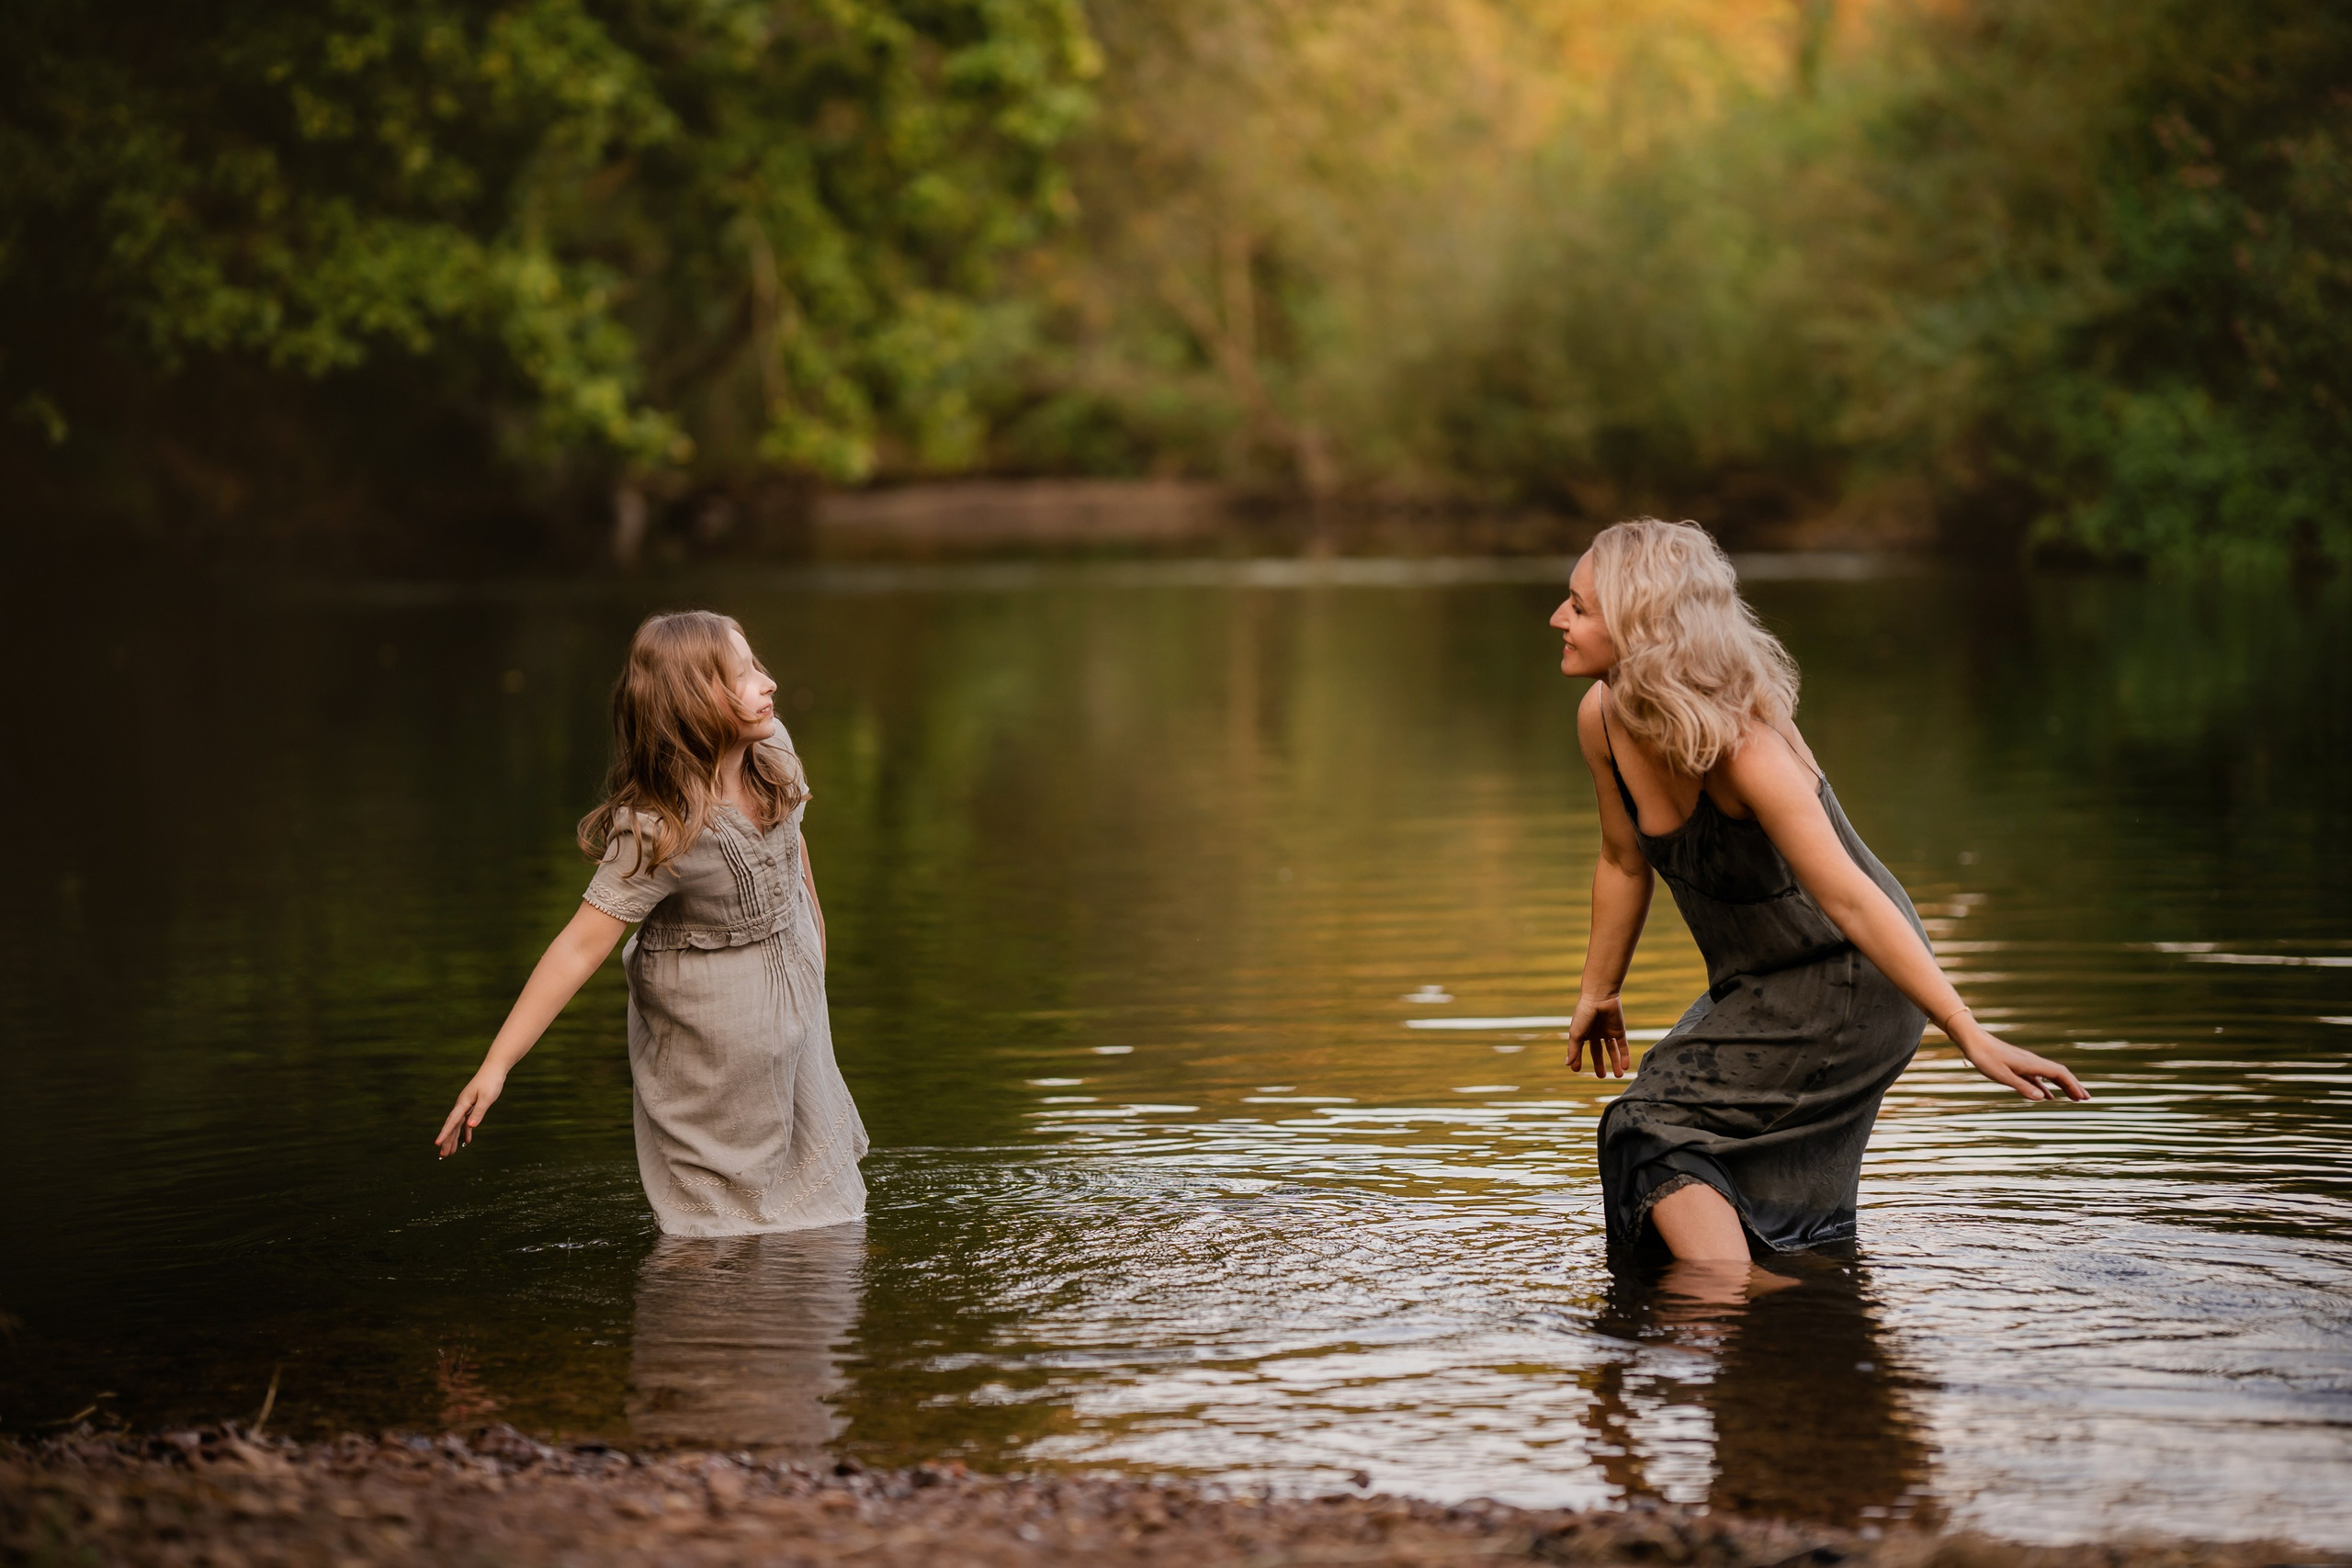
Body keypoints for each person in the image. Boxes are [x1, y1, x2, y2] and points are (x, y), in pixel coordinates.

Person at [1553, 520, 2084, 1269]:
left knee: (1650, 1131)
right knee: (1678, 1148)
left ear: (1642, 626)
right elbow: (1621, 860)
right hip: (1763, 981)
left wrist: (1966, 1031)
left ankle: (1739, 1309)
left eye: (1579, 607)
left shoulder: (1746, 746)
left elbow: (1854, 899)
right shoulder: (1603, 719)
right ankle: (1784, 1311)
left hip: (1852, 975)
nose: (1558, 619)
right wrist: (1598, 989)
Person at [433, 611, 867, 1236]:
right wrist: (496, 1064)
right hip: (706, 1039)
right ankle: (698, 1304)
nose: (768, 683)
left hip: (791, 1001)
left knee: (811, 1186)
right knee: (716, 1209)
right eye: (744, 675)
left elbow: (796, 851)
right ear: (694, 705)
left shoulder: (772, 753)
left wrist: (814, 952)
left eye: (758, 667)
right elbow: (578, 947)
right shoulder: (658, 828)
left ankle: (796, 1295)